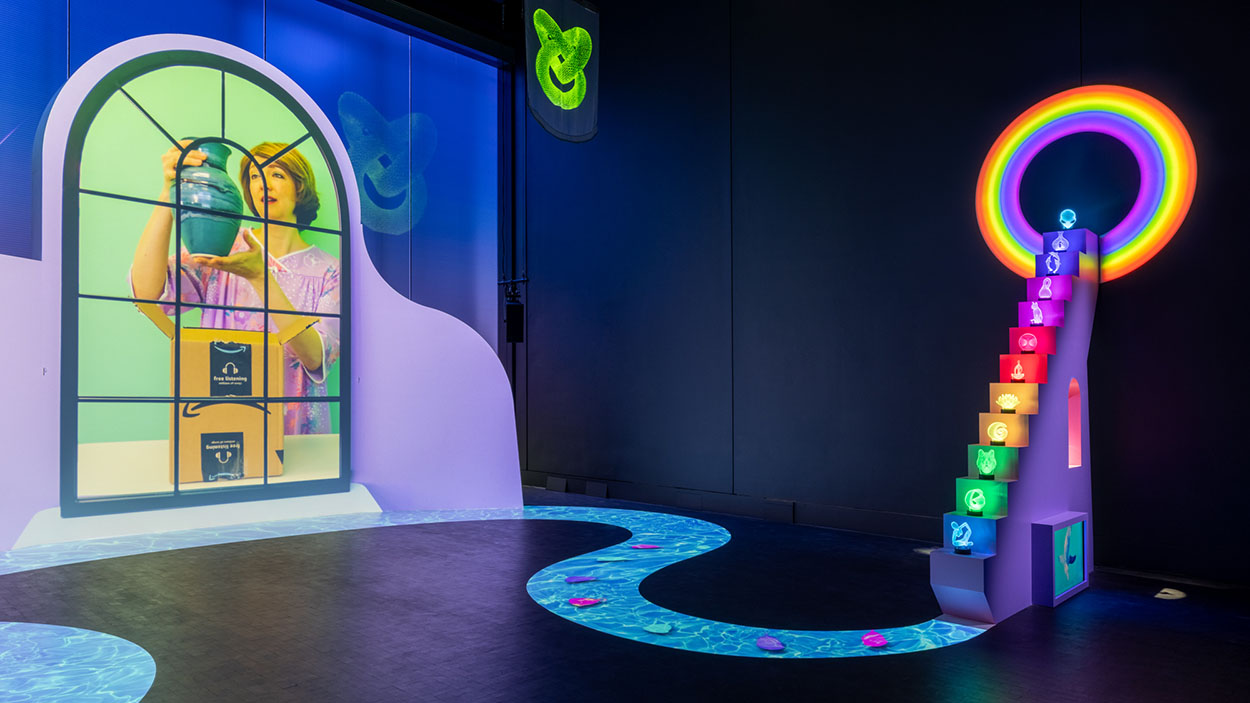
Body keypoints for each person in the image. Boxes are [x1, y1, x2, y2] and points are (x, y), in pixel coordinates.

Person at [131, 140, 341, 435]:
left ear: (300, 187)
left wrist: (260, 278)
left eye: (277, 174)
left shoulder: (328, 269)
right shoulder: (223, 246)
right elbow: (146, 292)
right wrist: (168, 192)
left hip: (298, 434)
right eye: (254, 176)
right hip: (226, 428)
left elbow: (316, 357)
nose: (263, 184)